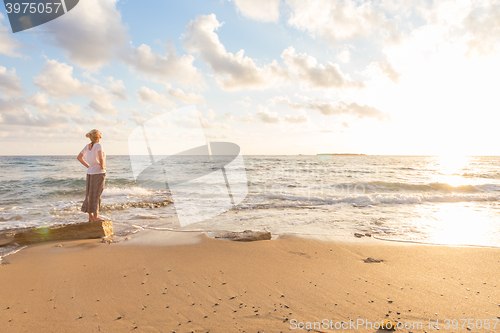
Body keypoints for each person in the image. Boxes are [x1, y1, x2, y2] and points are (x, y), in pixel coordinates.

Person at [77, 129, 107, 222]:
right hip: (98, 172)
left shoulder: (87, 146)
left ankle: (91, 217)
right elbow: (101, 157)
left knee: (89, 194)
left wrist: (89, 166)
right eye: (100, 133)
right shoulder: (98, 145)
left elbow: (79, 157)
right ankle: (96, 217)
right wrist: (102, 166)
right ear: (98, 137)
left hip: (90, 172)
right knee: (97, 194)